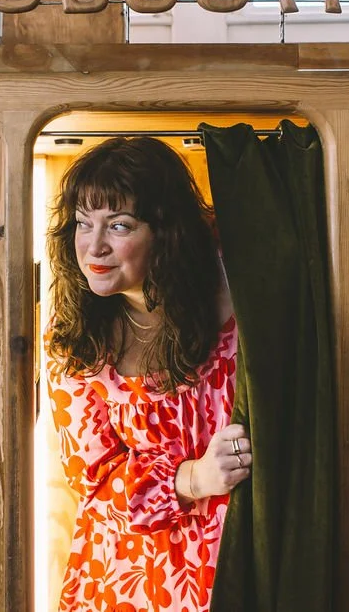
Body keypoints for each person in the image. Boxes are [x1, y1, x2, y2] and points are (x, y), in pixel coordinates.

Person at [44, 137, 250, 612]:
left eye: (119, 226)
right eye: (83, 223)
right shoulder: (76, 333)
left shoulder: (237, 278)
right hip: (134, 579)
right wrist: (194, 478)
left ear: (167, 233)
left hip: (240, 556)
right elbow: (93, 484)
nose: (93, 246)